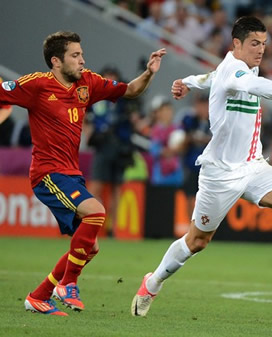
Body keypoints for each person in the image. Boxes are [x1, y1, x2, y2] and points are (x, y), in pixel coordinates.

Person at [131, 16, 272, 317]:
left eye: (263, 44)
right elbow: (248, 83)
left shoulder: (238, 68)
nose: (260, 50)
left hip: (253, 166)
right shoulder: (237, 71)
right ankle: (152, 282)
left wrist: (188, 82)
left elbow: (211, 78)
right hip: (220, 173)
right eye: (254, 44)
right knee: (197, 241)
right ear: (236, 43)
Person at [0, 31, 166, 316]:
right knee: (96, 212)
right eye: (75, 55)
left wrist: (148, 73)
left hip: (71, 174)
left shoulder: (87, 82)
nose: (82, 60)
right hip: (47, 173)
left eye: (81, 54)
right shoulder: (36, 85)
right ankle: (68, 284)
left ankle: (38, 297)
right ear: (56, 61)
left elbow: (130, 90)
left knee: (90, 247)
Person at [87, 66, 140, 236]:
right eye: (107, 78)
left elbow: (134, 115)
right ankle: (88, 225)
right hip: (103, 146)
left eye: (113, 78)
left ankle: (113, 228)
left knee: (117, 189)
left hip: (120, 147)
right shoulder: (95, 98)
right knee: (96, 186)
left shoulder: (124, 99)